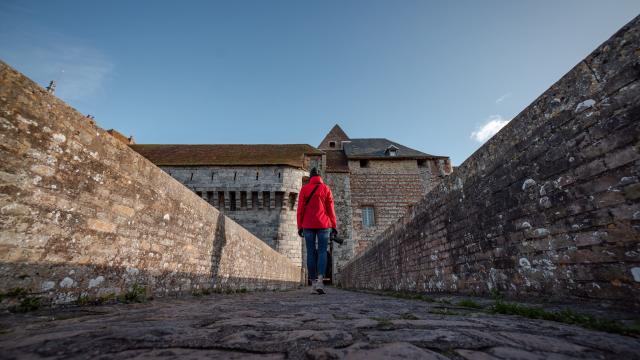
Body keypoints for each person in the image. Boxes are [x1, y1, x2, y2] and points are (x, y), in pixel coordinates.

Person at [297, 167, 337, 294]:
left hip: (307, 224)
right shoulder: (326, 189)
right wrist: (334, 226)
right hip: (324, 224)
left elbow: (300, 210)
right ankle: (320, 281)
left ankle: (313, 284)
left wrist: (299, 226)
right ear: (320, 176)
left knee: (310, 252)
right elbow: (331, 209)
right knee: (322, 252)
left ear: (311, 176)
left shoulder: (304, 189)